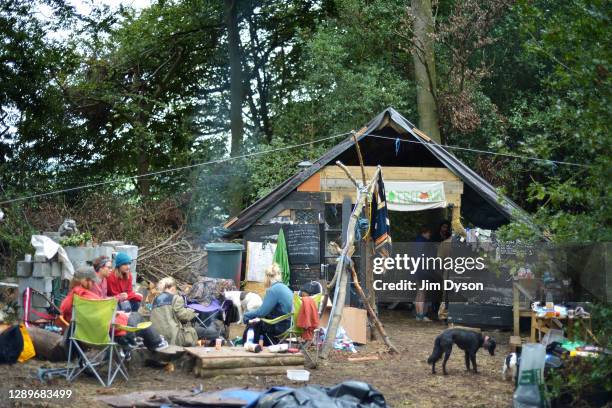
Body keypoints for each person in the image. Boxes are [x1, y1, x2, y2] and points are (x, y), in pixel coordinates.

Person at [60, 266, 168, 352]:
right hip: (107, 334)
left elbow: (68, 316)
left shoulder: (70, 299)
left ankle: (143, 342)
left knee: (133, 316)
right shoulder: (86, 296)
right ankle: (156, 343)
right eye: (92, 281)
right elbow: (102, 314)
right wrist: (120, 315)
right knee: (137, 317)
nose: (93, 284)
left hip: (84, 336)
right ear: (84, 281)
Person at [151, 277, 223, 347]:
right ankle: (216, 344)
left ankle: (206, 344)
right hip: (174, 336)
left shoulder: (155, 300)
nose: (176, 291)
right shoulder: (175, 298)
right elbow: (183, 316)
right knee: (208, 333)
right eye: (176, 289)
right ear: (173, 288)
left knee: (195, 331)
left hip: (158, 337)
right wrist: (192, 312)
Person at [242, 263, 293, 346]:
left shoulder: (273, 290)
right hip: (290, 325)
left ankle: (248, 345)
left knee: (255, 322)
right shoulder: (285, 287)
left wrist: (246, 315)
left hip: (281, 327)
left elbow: (261, 312)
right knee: (259, 320)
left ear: (267, 277)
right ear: (279, 275)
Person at [414, 226, 434, 322]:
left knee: (419, 293)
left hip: (417, 270)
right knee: (422, 293)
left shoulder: (417, 241)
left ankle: (418, 315)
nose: (430, 235)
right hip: (423, 270)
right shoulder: (423, 243)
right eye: (429, 233)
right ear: (425, 232)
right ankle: (421, 315)